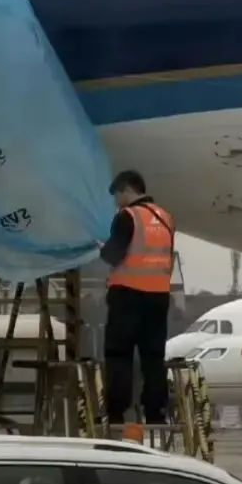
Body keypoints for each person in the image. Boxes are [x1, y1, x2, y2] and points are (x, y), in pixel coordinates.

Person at [98, 169, 175, 426]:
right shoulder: (166, 218)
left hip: (128, 296)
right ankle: (155, 412)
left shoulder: (128, 216)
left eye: (117, 195)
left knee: (119, 354)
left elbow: (113, 255)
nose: (117, 202)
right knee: (153, 357)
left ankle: (116, 412)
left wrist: (102, 248)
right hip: (158, 297)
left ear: (127, 190)